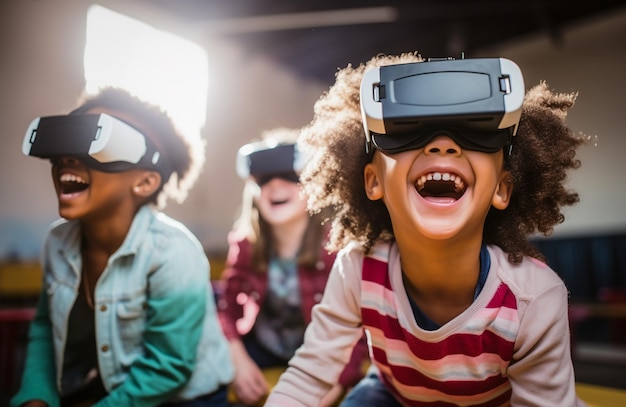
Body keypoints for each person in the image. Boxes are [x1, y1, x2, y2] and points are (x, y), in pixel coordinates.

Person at [265, 53, 588, 406]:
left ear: (501, 189)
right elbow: (310, 375)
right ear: (373, 181)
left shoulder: (533, 299)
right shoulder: (358, 270)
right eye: (408, 131)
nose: (442, 144)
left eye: (477, 130)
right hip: (393, 396)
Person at [11, 87, 234, 407]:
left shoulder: (173, 252)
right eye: (67, 144)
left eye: (96, 141)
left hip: (186, 397)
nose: (68, 158)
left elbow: (168, 368)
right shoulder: (57, 243)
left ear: (144, 182)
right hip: (115, 389)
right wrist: (35, 395)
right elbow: (46, 330)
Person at [216, 129, 369, 406]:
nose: (275, 186)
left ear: (314, 184)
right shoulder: (246, 243)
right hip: (261, 347)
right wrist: (236, 358)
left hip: (316, 353)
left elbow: (357, 328)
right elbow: (225, 305)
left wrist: (336, 384)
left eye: (290, 176)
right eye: (263, 179)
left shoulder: (338, 247)